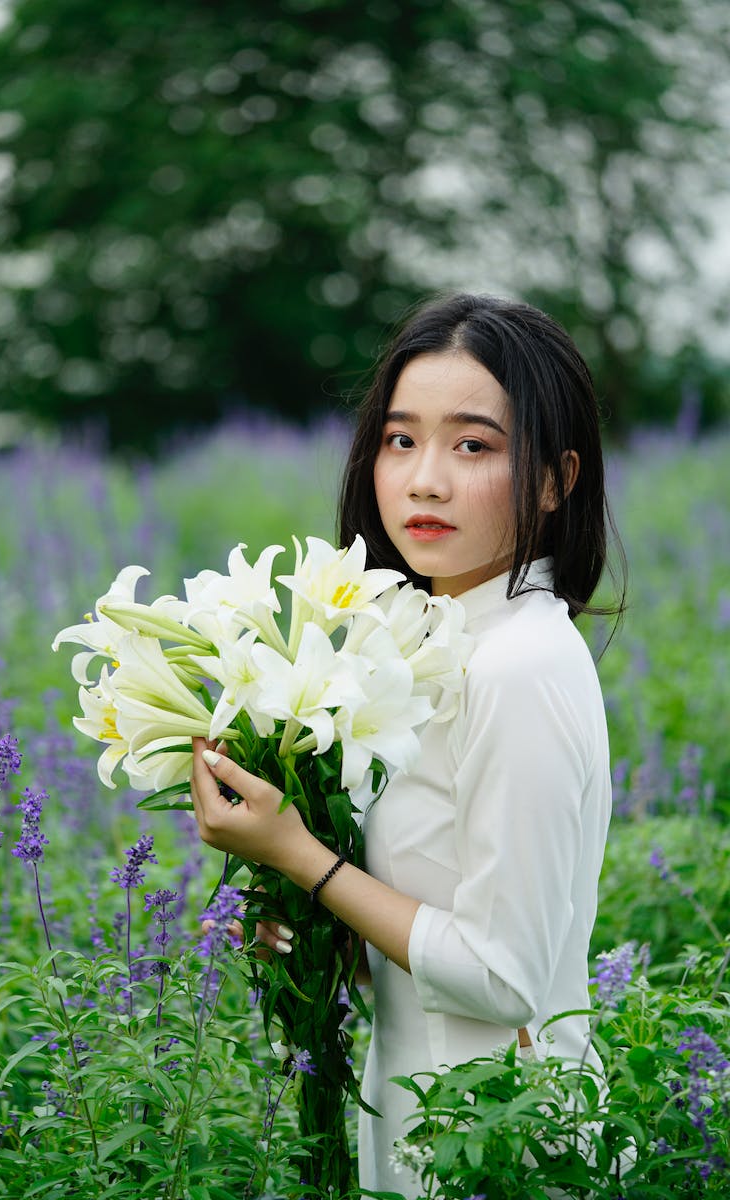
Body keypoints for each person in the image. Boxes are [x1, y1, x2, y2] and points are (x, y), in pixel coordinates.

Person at [190, 292, 624, 1196]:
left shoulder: (515, 666)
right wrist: (315, 932)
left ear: (554, 479)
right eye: (400, 440)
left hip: (501, 1152)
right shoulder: (438, 648)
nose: (425, 479)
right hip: (437, 1128)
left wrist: (303, 859)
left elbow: (503, 981)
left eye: (474, 445)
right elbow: (448, 919)